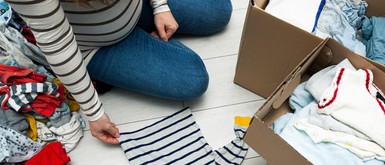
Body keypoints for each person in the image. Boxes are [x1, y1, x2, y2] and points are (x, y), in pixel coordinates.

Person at [7, 0, 233, 144]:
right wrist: (94, 113)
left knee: (219, 10)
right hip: (94, 45)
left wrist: (160, 6)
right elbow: (59, 45)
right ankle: (134, 49)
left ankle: (145, 38)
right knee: (192, 80)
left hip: (135, 7)